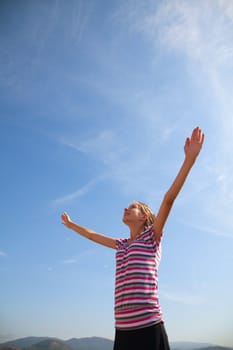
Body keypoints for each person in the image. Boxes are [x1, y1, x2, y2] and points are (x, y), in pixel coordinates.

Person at [61, 127, 204, 350]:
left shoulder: (151, 237)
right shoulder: (121, 245)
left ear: (145, 216)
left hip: (149, 328)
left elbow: (168, 200)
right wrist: (71, 225)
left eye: (133, 207)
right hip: (122, 332)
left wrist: (189, 160)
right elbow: (91, 235)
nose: (126, 208)